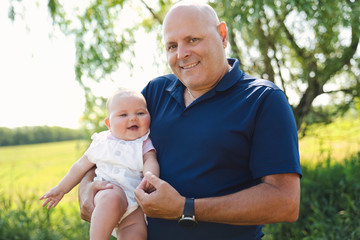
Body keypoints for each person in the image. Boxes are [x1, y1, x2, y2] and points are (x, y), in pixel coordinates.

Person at [78, 1, 302, 239]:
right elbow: (107, 146)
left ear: (222, 35)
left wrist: (185, 208)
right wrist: (86, 188)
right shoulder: (155, 92)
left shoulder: (263, 99)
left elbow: (285, 202)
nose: (181, 54)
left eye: (193, 40)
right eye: (172, 46)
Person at [40, 89, 159, 240]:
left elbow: (150, 160)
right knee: (111, 197)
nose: (133, 118)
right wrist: (61, 189)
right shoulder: (101, 142)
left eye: (140, 113)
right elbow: (80, 166)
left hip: (134, 204)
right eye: (123, 115)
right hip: (108, 193)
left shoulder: (143, 142)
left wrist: (150, 177)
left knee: (135, 233)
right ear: (109, 123)